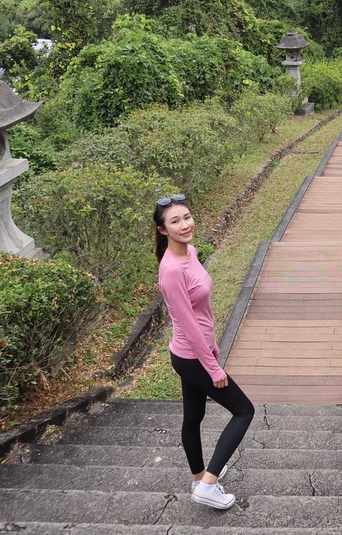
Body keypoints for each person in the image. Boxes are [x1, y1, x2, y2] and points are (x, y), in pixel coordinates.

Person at [153, 193, 254, 510]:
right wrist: (213, 367)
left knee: (194, 416)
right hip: (191, 357)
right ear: (162, 230)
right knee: (243, 411)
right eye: (175, 221)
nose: (185, 225)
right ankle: (208, 486)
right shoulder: (171, 271)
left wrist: (212, 344)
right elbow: (187, 324)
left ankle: (199, 476)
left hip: (196, 352)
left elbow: (201, 313)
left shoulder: (190, 253)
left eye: (187, 217)